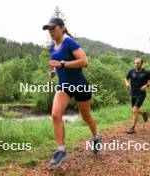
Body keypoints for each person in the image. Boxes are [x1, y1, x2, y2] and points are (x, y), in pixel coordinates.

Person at [42, 17, 102, 168]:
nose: (51, 32)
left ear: (62, 28)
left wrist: (62, 64)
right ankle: (61, 150)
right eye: (49, 29)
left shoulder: (69, 42)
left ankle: (96, 137)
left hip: (80, 85)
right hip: (64, 86)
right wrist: (54, 71)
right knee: (56, 114)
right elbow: (57, 63)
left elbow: (84, 61)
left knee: (86, 117)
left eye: (53, 28)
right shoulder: (51, 47)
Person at [125, 58, 150, 134]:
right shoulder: (131, 71)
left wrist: (146, 85)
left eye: (138, 63)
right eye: (135, 63)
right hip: (133, 93)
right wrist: (127, 83)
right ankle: (144, 114)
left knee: (134, 110)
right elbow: (126, 78)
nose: (136, 64)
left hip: (141, 93)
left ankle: (132, 127)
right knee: (135, 110)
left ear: (142, 64)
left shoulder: (146, 72)